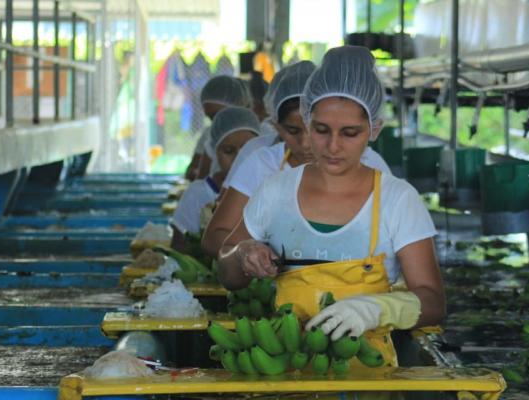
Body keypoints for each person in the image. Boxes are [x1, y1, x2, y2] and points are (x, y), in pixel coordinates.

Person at [216, 46, 445, 367]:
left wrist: (376, 309)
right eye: (321, 130)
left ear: (374, 129)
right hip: (288, 372)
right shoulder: (276, 190)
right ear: (307, 121)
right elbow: (227, 274)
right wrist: (241, 254)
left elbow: (433, 301)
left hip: (368, 378)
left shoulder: (397, 199)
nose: (333, 146)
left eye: (350, 133)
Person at [201, 61, 391, 258]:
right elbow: (215, 237)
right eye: (292, 131)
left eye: (317, 129)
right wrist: (250, 251)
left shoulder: (370, 164)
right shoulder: (263, 165)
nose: (305, 143)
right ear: (275, 125)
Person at [170, 107, 260, 255]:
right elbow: (178, 246)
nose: (239, 158)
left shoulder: (270, 190)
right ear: (214, 151)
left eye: (247, 150)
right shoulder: (197, 194)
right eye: (229, 151)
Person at [184, 76, 252, 181]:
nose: (216, 121)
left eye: (218, 114)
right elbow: (197, 177)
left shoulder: (260, 135)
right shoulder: (211, 135)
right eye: (211, 117)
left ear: (238, 107)